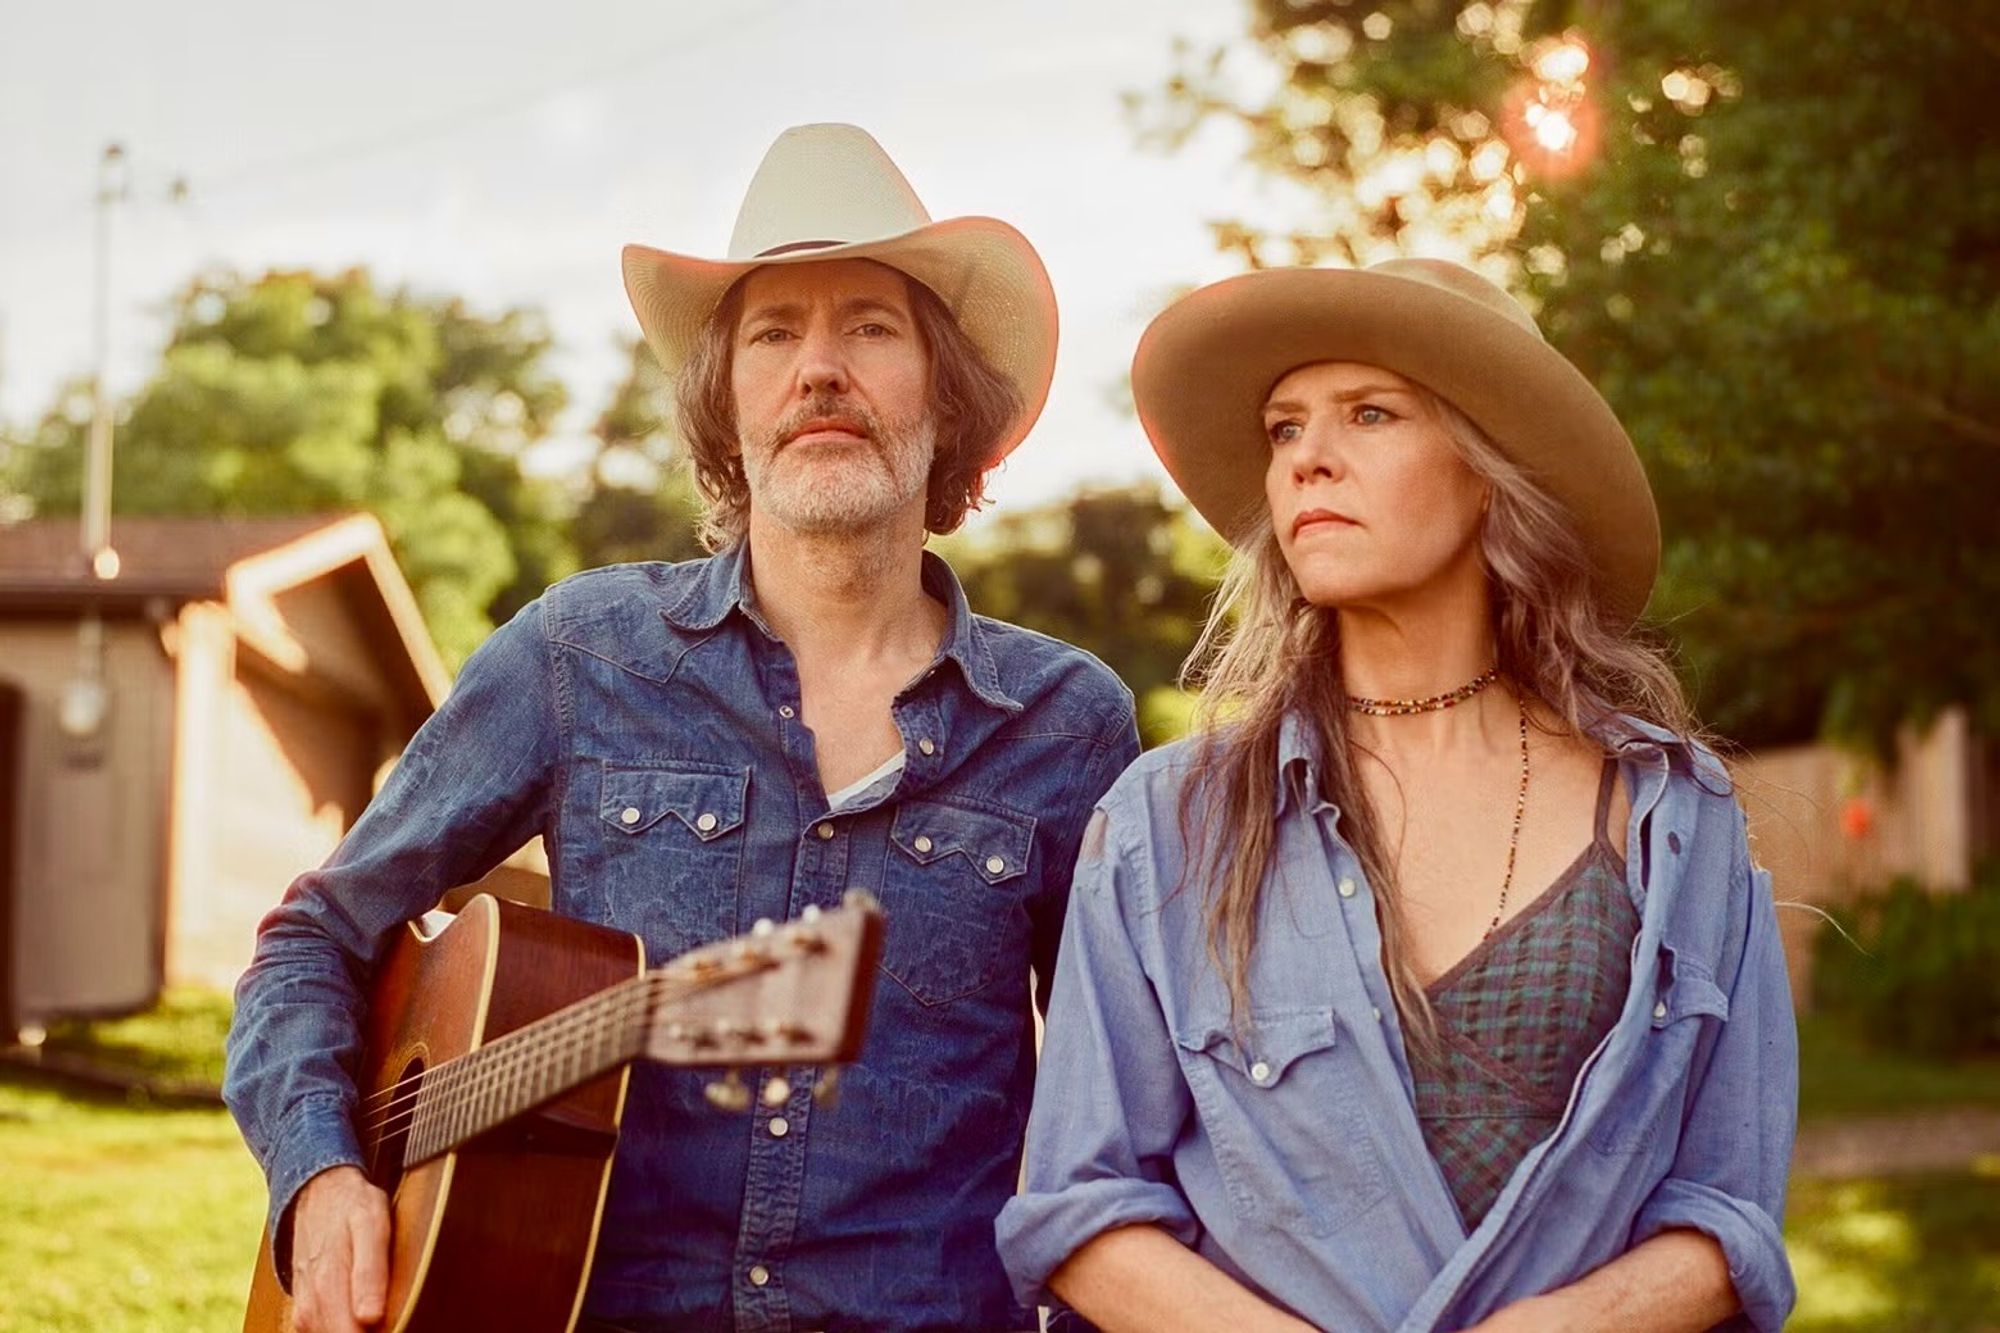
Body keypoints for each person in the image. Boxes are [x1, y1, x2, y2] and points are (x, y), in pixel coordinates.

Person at [224, 123, 1139, 1333]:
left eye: (869, 325)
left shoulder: (1067, 723)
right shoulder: (582, 652)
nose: (819, 369)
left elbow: (1117, 1120)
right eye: (773, 332)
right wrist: (325, 1173)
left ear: (946, 394)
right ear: (728, 402)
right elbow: (313, 935)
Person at [997, 259, 1797, 1332]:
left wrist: (1559, 1326)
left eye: (1369, 414)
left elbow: (1727, 1210)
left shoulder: (1671, 817)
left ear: (1488, 472)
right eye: (1283, 429)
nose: (1307, 461)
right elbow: (1078, 1208)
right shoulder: (1164, 824)